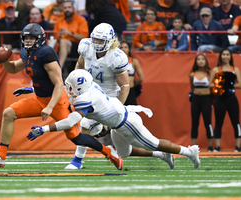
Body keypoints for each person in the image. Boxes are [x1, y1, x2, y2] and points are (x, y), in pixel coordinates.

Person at [0, 23, 123, 171]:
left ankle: (109, 153)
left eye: (32, 38)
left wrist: (49, 107)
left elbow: (59, 84)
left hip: (57, 101)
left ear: (40, 39)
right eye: (26, 38)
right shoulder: (26, 52)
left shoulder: (46, 53)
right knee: (8, 113)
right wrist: (4, 60)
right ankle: (1, 156)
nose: (28, 41)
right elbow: (14, 68)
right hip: (39, 99)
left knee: (76, 137)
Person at [27, 69, 201, 170]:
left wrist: (44, 129)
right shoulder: (89, 87)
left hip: (127, 123)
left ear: (79, 87)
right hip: (117, 122)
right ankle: (162, 155)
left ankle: (189, 151)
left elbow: (71, 122)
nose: (68, 89)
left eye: (72, 87)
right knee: (124, 152)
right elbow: (63, 90)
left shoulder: (84, 98)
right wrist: (30, 89)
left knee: (153, 142)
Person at [64, 23, 130, 169]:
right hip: (90, 90)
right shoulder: (86, 46)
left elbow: (125, 87)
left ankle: (77, 160)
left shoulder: (117, 57)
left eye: (101, 40)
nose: (97, 43)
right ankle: (79, 159)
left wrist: (115, 109)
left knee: (129, 146)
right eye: (95, 39)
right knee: (84, 124)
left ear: (110, 41)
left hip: (108, 95)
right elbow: (79, 67)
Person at [209, 48, 241, 152]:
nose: (226, 56)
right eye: (224, 54)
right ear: (220, 56)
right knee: (218, 122)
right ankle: (217, 146)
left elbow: (240, 84)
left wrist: (228, 85)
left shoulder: (235, 69)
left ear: (230, 56)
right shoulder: (216, 70)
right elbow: (210, 84)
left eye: (228, 54)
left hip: (231, 98)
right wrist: (220, 86)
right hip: (220, 99)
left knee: (236, 122)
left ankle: (238, 146)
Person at [53, 0, 89, 70]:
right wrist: (59, 35)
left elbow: (84, 37)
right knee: (59, 42)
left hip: (77, 47)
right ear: (62, 9)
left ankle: (58, 69)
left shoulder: (81, 20)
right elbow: (55, 37)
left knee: (64, 41)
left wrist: (70, 33)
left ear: (73, 8)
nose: (67, 10)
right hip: (61, 47)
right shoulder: (59, 21)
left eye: (69, 7)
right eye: (65, 8)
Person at [189, 54, 214, 151]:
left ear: (206, 61)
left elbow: (212, 85)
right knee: (194, 123)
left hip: (206, 99)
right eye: (198, 59)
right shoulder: (192, 74)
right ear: (196, 62)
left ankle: (211, 146)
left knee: (208, 122)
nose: (200, 61)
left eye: (203, 59)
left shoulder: (209, 73)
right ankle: (193, 146)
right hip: (195, 100)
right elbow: (192, 87)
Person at [120, 40, 144, 106]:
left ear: (128, 49)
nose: (123, 49)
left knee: (132, 112)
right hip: (119, 91)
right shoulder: (115, 61)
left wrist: (133, 84)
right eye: (121, 47)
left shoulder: (134, 61)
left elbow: (141, 78)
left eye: (125, 47)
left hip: (130, 90)